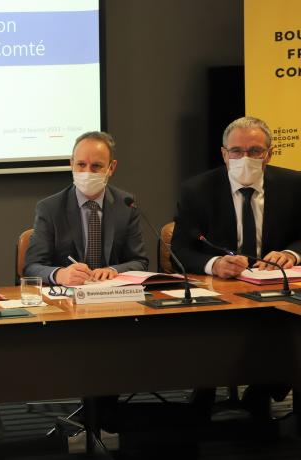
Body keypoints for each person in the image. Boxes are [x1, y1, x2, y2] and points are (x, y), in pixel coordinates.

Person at [171, 116, 301, 418]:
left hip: (276, 293)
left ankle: (268, 391)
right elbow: (179, 248)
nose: (245, 158)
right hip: (222, 294)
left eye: (255, 151)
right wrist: (214, 264)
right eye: (236, 151)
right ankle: (207, 393)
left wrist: (291, 254)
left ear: (270, 153)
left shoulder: (294, 185)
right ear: (223, 154)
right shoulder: (197, 190)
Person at [24, 131, 148, 285]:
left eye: (96, 166)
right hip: (67, 300)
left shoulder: (126, 205)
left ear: (111, 167)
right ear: (71, 163)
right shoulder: (50, 208)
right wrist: (60, 275)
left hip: (112, 297)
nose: (87, 172)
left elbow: (139, 262)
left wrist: (114, 270)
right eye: (81, 164)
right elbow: (31, 267)